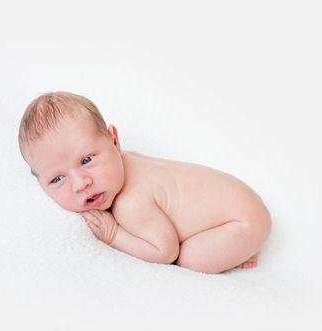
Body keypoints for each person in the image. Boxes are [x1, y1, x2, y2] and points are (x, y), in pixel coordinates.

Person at [18, 91, 271, 274]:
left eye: (86, 160)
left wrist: (113, 234)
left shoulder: (131, 203)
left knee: (188, 260)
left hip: (241, 223)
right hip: (240, 199)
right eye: (57, 179)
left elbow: (165, 253)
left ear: (115, 140)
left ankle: (241, 250)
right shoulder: (124, 162)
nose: (80, 183)